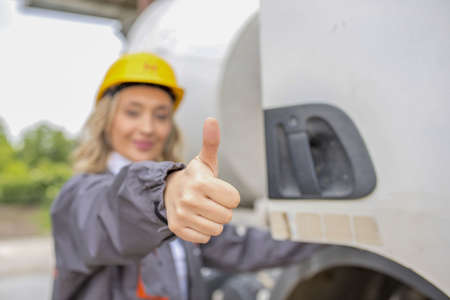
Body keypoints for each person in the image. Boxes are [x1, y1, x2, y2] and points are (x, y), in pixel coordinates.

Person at [51, 52, 319, 300]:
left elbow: (241, 248)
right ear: (106, 120)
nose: (147, 128)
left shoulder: (183, 204)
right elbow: (114, 212)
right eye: (133, 112)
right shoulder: (78, 199)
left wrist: (320, 234)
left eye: (161, 115)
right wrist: (163, 193)